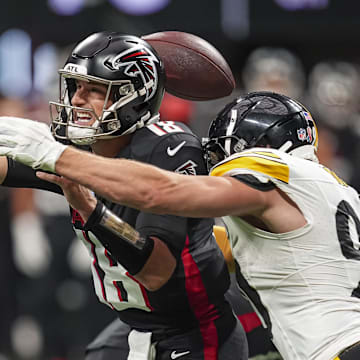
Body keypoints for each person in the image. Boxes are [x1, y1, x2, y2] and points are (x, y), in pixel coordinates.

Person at [2, 91, 360, 360]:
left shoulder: (268, 168)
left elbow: (161, 190)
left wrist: (58, 156)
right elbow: (211, 248)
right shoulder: (335, 192)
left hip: (333, 348)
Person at [0, 31, 249, 360]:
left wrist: (94, 215)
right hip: (136, 326)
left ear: (134, 98)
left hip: (195, 333)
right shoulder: (79, 149)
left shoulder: (170, 149)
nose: (76, 100)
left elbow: (158, 271)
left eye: (95, 90)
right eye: (76, 87)